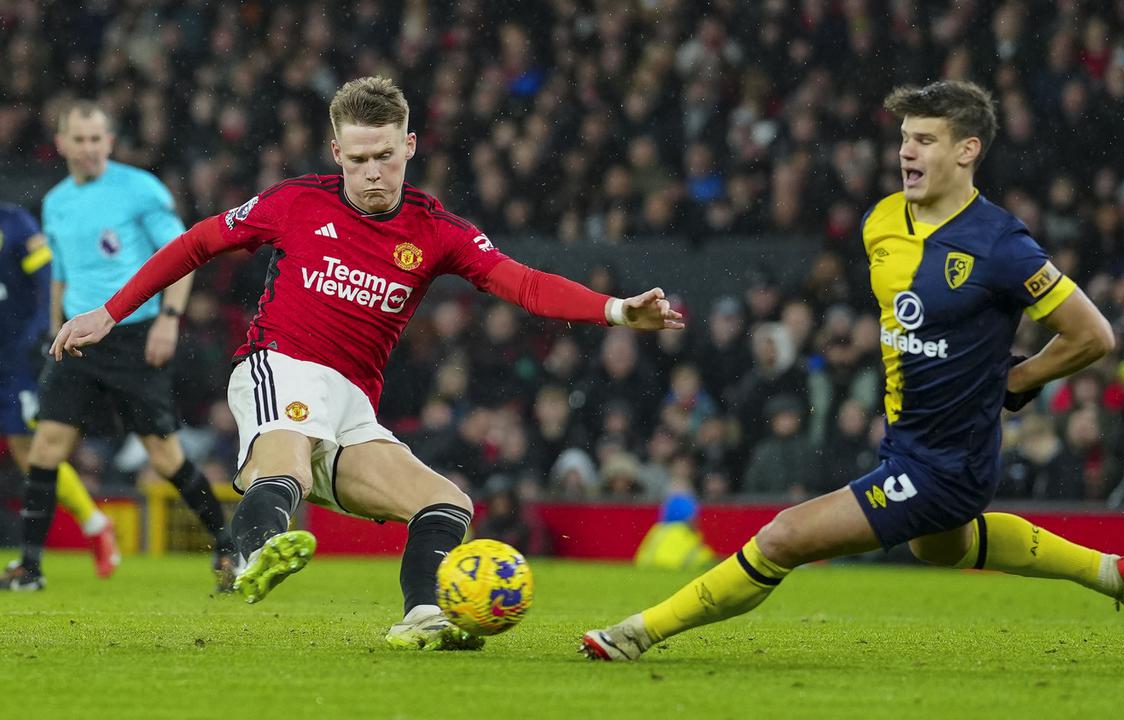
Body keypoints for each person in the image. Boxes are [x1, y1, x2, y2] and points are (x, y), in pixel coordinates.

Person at [50, 77, 683, 650]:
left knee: (447, 504)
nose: (373, 173)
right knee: (287, 465)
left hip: (353, 404)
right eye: (358, 160)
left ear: (409, 146)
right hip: (281, 365)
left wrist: (619, 311)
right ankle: (249, 552)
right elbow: (198, 242)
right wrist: (112, 311)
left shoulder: (436, 230)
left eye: (384, 157)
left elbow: (525, 284)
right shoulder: (296, 202)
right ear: (336, 154)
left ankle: (424, 615)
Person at [580, 80, 1124, 662]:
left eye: (924, 139)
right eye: (903, 139)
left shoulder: (1001, 244)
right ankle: (1118, 574)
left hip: (949, 462)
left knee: (784, 537)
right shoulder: (881, 223)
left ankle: (638, 632)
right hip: (907, 443)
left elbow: (1093, 335)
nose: (905, 152)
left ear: (967, 151)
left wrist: (1017, 381)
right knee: (946, 548)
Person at [4, 102, 235, 592]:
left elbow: (183, 256)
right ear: (62, 143)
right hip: (76, 338)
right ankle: (29, 567)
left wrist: (169, 321)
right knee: (46, 446)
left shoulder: (140, 190)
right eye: (79, 140)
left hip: (132, 336)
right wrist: (53, 332)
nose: (88, 149)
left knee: (164, 455)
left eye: (96, 139)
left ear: (109, 142)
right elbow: (60, 279)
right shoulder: (57, 201)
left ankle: (228, 546)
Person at [0, 202, 119, 586]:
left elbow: (46, 278)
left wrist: (38, 336)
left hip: (14, 359)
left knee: (29, 451)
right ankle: (94, 523)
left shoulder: (14, 223)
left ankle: (94, 522)